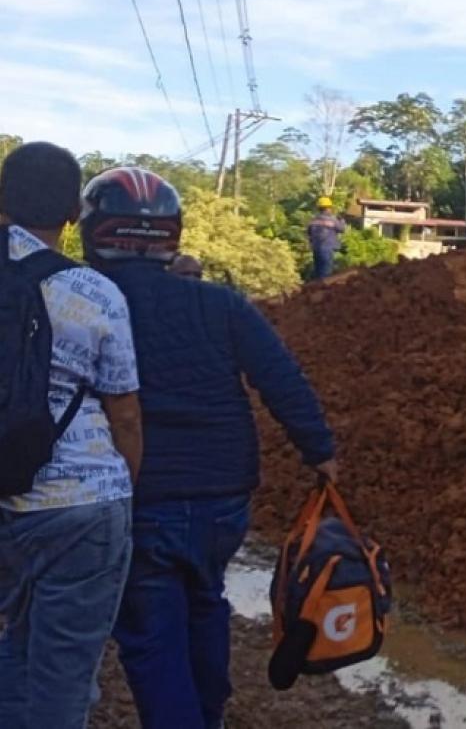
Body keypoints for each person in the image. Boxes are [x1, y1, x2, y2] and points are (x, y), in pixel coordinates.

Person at [80, 167, 337, 729]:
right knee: (205, 602)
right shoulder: (221, 306)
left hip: (139, 498)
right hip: (225, 496)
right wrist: (320, 452)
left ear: (95, 230)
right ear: (171, 233)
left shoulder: (83, 307)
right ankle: (209, 715)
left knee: (151, 636)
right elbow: (281, 379)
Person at [0, 143, 143, 729]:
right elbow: (125, 411)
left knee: (16, 643)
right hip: (82, 504)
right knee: (62, 671)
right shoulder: (94, 292)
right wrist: (124, 489)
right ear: (72, 215)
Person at [306, 196, 344, 280]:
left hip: (316, 248)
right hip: (327, 249)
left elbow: (308, 233)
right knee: (326, 273)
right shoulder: (332, 220)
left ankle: (317, 288)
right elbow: (341, 229)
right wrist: (341, 220)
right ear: (328, 208)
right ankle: (323, 289)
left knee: (318, 271)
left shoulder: (313, 220)